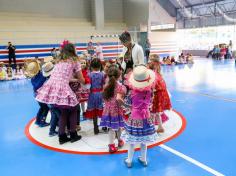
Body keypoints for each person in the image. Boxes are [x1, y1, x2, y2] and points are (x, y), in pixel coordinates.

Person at [36, 40, 85, 144]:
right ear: (72, 50)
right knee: (73, 109)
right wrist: (83, 80)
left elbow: (63, 76)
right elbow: (82, 79)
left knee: (63, 112)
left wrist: (74, 79)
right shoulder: (74, 61)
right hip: (62, 87)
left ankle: (62, 137)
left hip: (52, 87)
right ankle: (73, 134)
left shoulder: (59, 61)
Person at [122, 65, 158, 168]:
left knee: (132, 141)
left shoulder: (132, 93)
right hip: (146, 117)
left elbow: (128, 104)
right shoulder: (150, 92)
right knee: (144, 140)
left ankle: (129, 160)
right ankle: (144, 159)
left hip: (135, 117)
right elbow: (150, 103)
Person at [100, 65, 126, 153]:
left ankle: (111, 145)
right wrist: (126, 105)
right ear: (119, 76)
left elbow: (104, 98)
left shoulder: (106, 86)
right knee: (119, 127)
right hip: (117, 110)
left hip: (108, 110)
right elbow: (119, 99)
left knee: (111, 128)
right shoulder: (121, 87)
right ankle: (120, 141)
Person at [147, 58, 171, 133]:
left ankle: (151, 128)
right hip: (161, 94)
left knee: (153, 112)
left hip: (157, 95)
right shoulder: (157, 74)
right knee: (156, 113)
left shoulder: (152, 75)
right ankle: (160, 127)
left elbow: (151, 87)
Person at [24, 60, 50, 127]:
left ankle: (38, 120)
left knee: (42, 108)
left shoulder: (33, 77)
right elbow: (40, 83)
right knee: (46, 108)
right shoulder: (41, 75)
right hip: (41, 95)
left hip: (36, 95)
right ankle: (42, 122)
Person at [85, 58, 105, 134]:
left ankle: (95, 127)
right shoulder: (103, 74)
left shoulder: (89, 75)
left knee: (94, 112)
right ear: (100, 66)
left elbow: (87, 86)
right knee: (102, 110)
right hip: (101, 94)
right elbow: (104, 84)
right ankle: (104, 126)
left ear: (91, 66)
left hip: (92, 94)